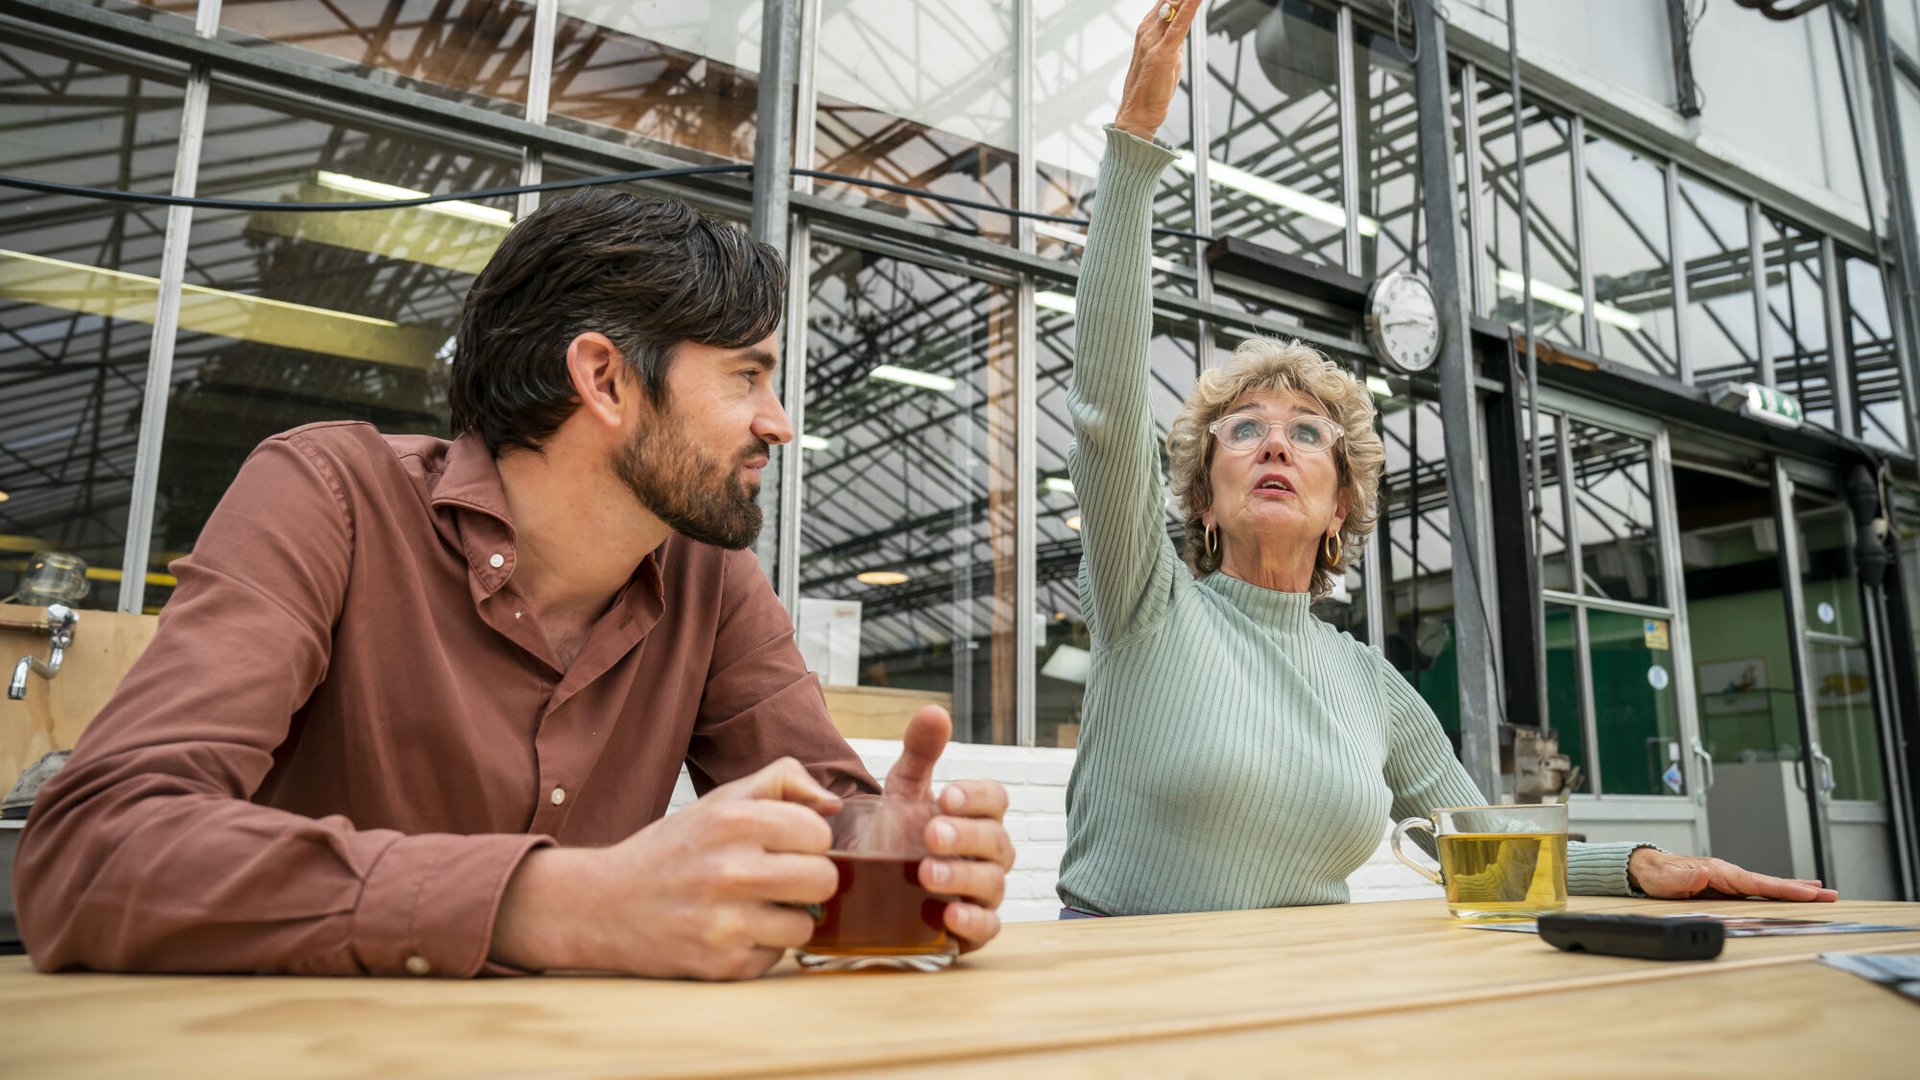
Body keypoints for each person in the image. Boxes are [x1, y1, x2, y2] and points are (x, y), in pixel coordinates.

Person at [14, 189, 1013, 979]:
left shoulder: (711, 577)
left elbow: (828, 835)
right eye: (748, 377)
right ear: (606, 380)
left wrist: (897, 857)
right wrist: (565, 902)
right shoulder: (329, 497)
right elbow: (93, 855)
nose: (781, 421)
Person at [1054, 0, 1837, 918]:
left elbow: (1482, 850)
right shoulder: (1148, 601)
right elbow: (1106, 413)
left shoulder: (1368, 685)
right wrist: (1135, 144)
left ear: (1342, 504)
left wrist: (1634, 866)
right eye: (1244, 429)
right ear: (1201, 496)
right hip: (1129, 1002)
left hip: (1311, 1014)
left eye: (1309, 432)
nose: (1275, 440)